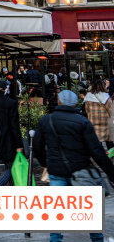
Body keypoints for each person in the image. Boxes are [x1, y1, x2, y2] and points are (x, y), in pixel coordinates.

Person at [33, 90, 114, 242]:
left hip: (56, 171)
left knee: (57, 209)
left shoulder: (46, 120)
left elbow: (37, 147)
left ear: (59, 101)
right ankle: (97, 239)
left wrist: (46, 164)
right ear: (76, 103)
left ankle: (55, 239)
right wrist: (111, 173)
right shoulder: (82, 122)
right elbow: (96, 151)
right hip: (81, 170)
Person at [0, 80, 24, 186]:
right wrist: (19, 144)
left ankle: (13, 188)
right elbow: (14, 125)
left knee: (8, 165)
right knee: (12, 167)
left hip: (0, 138)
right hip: (11, 138)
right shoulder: (11, 102)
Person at [81, 79, 111, 150]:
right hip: (105, 121)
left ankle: (99, 156)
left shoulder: (88, 97)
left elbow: (87, 110)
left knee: (97, 141)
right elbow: (110, 110)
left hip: (93, 121)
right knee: (109, 140)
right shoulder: (106, 96)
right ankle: (110, 157)